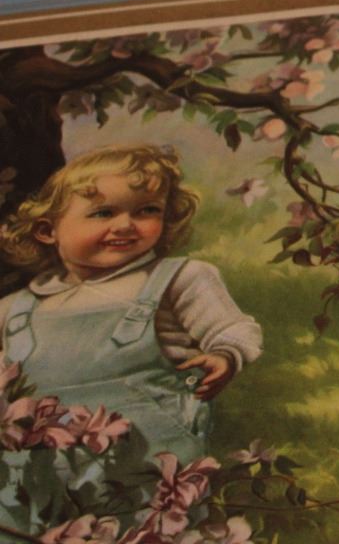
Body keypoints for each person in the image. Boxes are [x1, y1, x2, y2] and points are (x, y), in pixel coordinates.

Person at [0, 145, 262, 468]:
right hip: (40, 474)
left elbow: (233, 327)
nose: (125, 225)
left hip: (150, 468)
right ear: (47, 230)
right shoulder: (16, 309)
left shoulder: (177, 279)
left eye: (147, 210)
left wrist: (226, 354)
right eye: (103, 213)